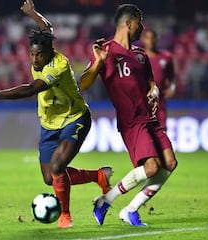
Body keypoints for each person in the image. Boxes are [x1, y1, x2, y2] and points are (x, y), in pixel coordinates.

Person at [0, 0, 112, 228]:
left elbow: (32, 89)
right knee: (49, 178)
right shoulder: (43, 50)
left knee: (57, 167)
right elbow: (47, 29)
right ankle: (98, 176)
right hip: (49, 123)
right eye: (32, 55)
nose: (35, 60)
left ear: (49, 53)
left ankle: (65, 215)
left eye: (39, 55)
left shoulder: (58, 65)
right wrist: (33, 13)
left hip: (75, 118)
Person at [80, 4, 178, 226]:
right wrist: (100, 63)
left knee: (170, 163)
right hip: (132, 121)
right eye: (140, 22)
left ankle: (129, 210)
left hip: (150, 118)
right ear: (129, 23)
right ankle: (107, 200)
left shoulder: (141, 55)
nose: (142, 28)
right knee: (152, 167)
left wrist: (154, 91)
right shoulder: (105, 50)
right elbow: (84, 84)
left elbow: (152, 84)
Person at [140, 29, 176, 128]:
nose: (150, 41)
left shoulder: (166, 57)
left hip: (160, 103)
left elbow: (172, 77)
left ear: (156, 40)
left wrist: (172, 89)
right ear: (143, 40)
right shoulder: (137, 57)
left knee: (161, 132)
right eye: (147, 38)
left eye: (152, 38)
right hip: (142, 102)